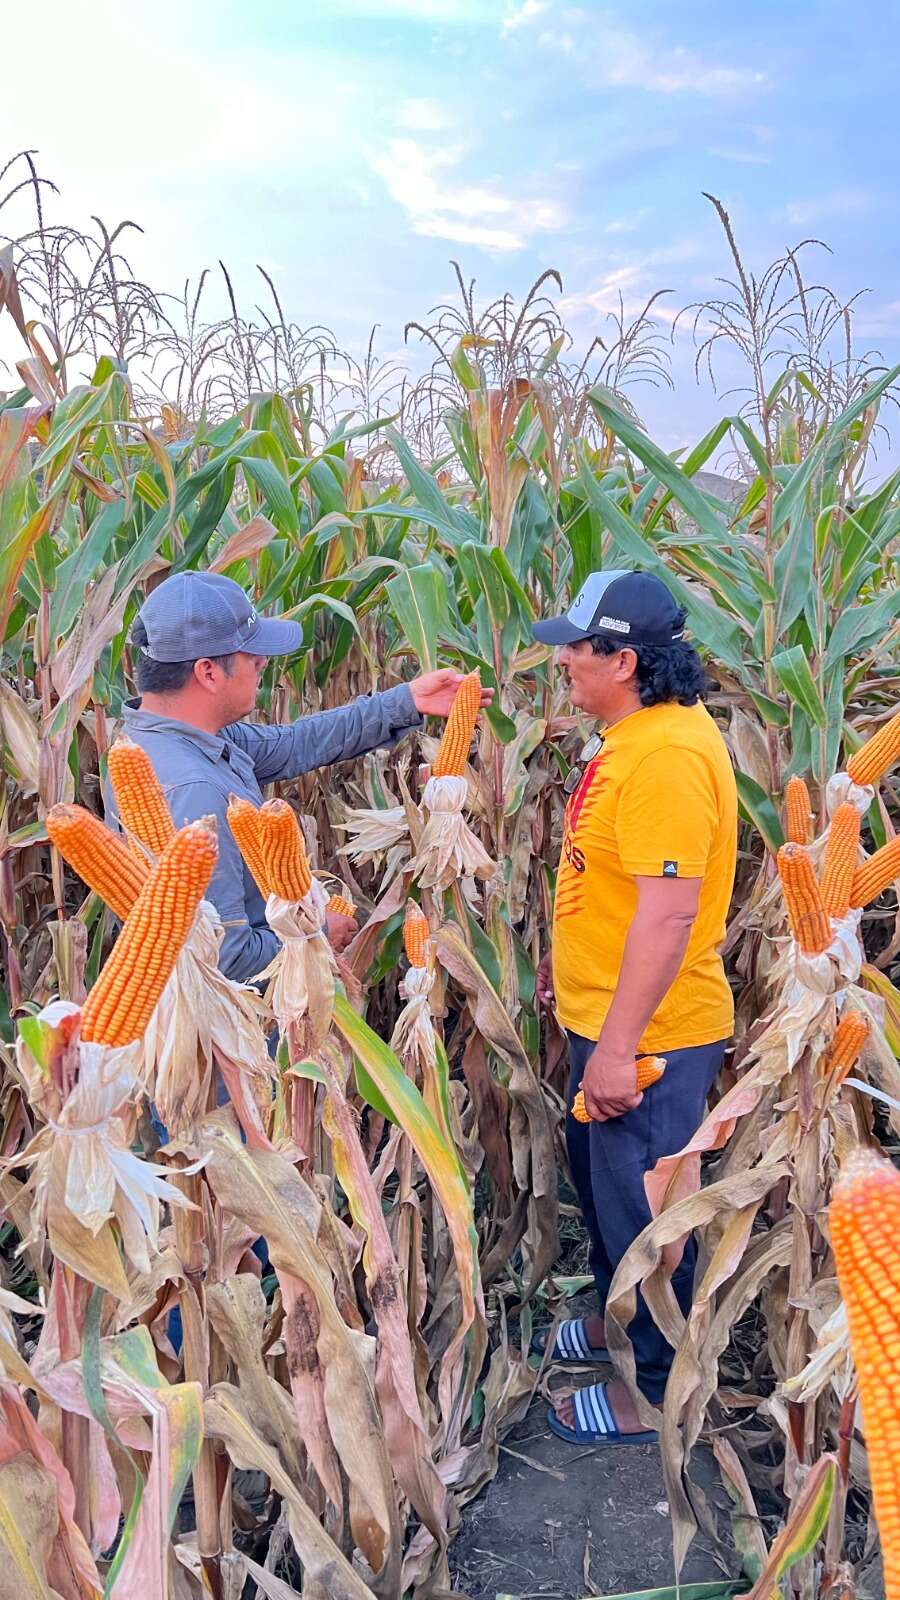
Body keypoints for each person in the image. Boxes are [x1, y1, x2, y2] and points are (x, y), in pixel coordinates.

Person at [530, 568, 737, 1447]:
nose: (565, 661)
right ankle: (620, 1333)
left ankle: (654, 1391)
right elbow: (610, 882)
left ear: (622, 658)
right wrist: (565, 968)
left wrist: (615, 1048)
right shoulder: (635, 730)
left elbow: (670, 913)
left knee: (651, 1220)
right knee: (610, 1198)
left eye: (578, 647)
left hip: (648, 1038)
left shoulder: (666, 760)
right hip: (608, 1018)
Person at [106, 570, 491, 981]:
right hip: (239, 1029)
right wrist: (317, 933)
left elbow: (292, 744)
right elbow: (222, 957)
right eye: (250, 654)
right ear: (208, 673)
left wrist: (407, 700)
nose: (262, 662)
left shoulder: (175, 737)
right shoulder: (193, 792)